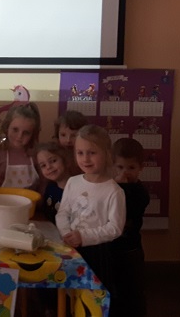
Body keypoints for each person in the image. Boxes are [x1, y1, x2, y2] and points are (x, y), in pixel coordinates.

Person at [56, 124, 125, 312]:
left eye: (92, 153)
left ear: (107, 154)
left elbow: (115, 228)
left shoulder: (114, 191)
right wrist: (67, 234)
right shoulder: (73, 182)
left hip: (98, 254)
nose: (85, 159)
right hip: (72, 249)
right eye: (80, 153)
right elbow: (63, 213)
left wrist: (83, 237)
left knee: (94, 300)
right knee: (72, 294)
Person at [111, 138, 150, 317]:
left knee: (133, 292)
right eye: (120, 167)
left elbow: (128, 210)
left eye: (131, 168)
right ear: (113, 165)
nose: (125, 172)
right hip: (111, 249)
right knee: (114, 291)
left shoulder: (140, 192)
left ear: (141, 167)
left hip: (130, 250)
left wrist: (122, 187)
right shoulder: (110, 187)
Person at [0, 103, 41, 190]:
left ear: (32, 134)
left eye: (26, 133)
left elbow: (44, 183)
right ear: (7, 128)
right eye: (15, 130)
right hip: (2, 198)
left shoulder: (37, 154)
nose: (19, 136)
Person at [34, 141, 73, 224]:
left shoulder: (76, 190)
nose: (48, 167)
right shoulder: (50, 187)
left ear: (65, 160)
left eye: (53, 161)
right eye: (43, 165)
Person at [55, 110, 88, 177]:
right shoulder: (54, 153)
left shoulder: (87, 154)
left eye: (73, 135)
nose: (68, 140)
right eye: (63, 135)